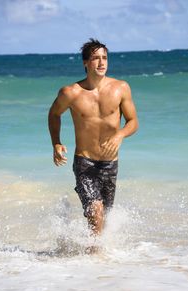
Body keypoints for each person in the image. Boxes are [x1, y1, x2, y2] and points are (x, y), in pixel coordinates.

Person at [48, 38, 139, 235]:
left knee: (103, 219)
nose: (101, 62)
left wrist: (120, 135)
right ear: (85, 63)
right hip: (84, 163)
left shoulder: (121, 88)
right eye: (96, 58)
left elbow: (133, 122)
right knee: (96, 214)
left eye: (105, 58)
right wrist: (56, 142)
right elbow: (54, 114)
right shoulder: (70, 92)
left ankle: (93, 258)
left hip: (110, 163)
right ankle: (93, 260)